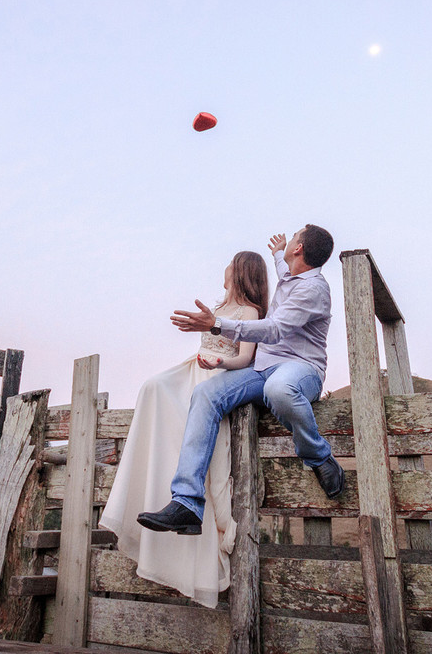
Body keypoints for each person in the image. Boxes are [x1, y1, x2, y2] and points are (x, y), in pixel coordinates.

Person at [137, 224, 343, 543]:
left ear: (299, 249)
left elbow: (274, 330)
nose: (289, 241)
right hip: (261, 369)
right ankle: (186, 503)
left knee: (279, 390)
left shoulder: (313, 289)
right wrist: (277, 252)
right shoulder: (290, 274)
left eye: (294, 237)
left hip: (300, 368)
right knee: (205, 392)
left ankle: (318, 457)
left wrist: (217, 325)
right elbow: (281, 266)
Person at [99, 251, 269, 608]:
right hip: (192, 368)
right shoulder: (218, 305)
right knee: (152, 386)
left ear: (240, 272)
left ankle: (186, 501)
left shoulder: (250, 313)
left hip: (217, 377)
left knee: (194, 428)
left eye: (230, 265)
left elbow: (246, 359)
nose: (223, 270)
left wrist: (220, 360)